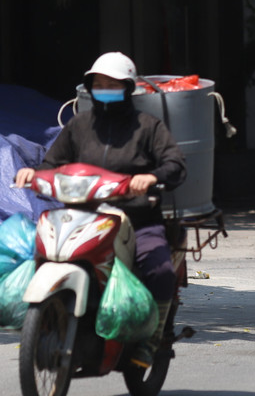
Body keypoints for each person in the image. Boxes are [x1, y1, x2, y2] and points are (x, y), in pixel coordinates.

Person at [14, 52, 186, 368]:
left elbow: (175, 164)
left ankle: (151, 338)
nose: (104, 90)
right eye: (99, 84)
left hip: (136, 219)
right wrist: (33, 174)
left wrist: (150, 177)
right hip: (81, 216)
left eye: (113, 85)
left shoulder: (148, 127)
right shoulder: (78, 126)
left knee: (159, 270)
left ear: (128, 89)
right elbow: (52, 163)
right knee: (36, 254)